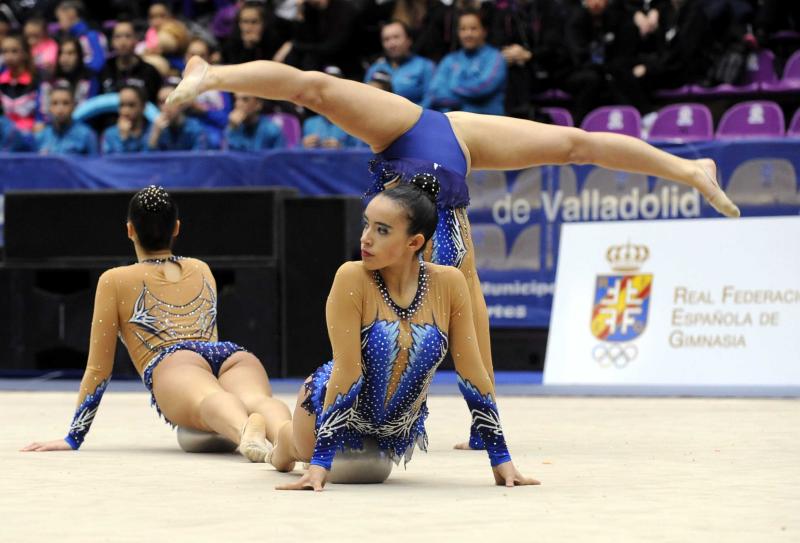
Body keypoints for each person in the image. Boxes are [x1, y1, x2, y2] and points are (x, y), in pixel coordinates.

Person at [166, 55, 740, 449]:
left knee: (315, 88)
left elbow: (465, 329)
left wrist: (481, 419)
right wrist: (484, 422)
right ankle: (210, 71)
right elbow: (466, 329)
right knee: (570, 147)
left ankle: (690, 167)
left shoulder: (410, 264)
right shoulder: (425, 265)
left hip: (415, 136)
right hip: (443, 151)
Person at [270, 179, 540, 490]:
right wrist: (318, 463)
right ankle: (280, 439)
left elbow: (472, 373)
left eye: (382, 230)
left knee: (369, 473)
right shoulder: (351, 277)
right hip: (327, 411)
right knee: (294, 451)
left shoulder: (449, 284)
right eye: (366, 225)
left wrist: (501, 459)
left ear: (414, 242)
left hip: (394, 429)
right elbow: (347, 372)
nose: (366, 238)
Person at [21, 186, 290, 464]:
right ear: (176, 228)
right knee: (258, 400)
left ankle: (246, 429)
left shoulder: (115, 280)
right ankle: (288, 437)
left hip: (175, 362)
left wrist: (73, 436)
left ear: (130, 230)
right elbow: (208, 338)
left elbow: (98, 368)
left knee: (208, 398)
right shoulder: (201, 268)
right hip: (232, 356)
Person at [425, 9, 507, 115]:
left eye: (473, 28)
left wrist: (453, 86)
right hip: (452, 125)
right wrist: (469, 99)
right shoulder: (450, 59)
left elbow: (483, 88)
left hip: (486, 123)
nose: (468, 34)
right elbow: (434, 94)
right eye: (463, 29)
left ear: (484, 31)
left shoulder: (495, 57)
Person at [364, 20, 435, 106]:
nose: (391, 44)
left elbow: (430, 99)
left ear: (409, 40)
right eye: (386, 39)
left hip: (416, 116)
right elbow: (366, 100)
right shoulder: (375, 68)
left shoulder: (425, 66)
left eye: (396, 37)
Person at [99, 20, 163, 102]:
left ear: (136, 40)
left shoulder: (149, 71)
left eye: (128, 36)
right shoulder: (104, 69)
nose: (123, 42)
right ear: (112, 41)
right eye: (118, 36)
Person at [35, 81, 98, 155]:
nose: (60, 109)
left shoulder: (86, 135)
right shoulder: (42, 136)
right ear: (50, 107)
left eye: (65, 103)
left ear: (73, 106)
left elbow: (95, 164)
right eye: (55, 103)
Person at [148, 80, 208, 151]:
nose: (164, 107)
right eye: (161, 102)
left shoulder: (196, 130)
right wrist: (154, 137)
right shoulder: (157, 129)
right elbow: (147, 160)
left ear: (182, 103)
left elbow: (199, 159)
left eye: (170, 101)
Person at [0, 33, 39, 133]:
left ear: (25, 54)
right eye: (5, 51)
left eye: (14, 51)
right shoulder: (1, 80)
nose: (9, 56)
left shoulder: (37, 81)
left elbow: (42, 117)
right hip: (5, 135)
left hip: (31, 136)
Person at [55, 0, 106, 73]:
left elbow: (98, 64)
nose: (59, 24)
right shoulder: (70, 36)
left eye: (59, 19)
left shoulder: (91, 36)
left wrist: (77, 64)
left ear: (71, 14)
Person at [101, 84, 150, 154]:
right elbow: (111, 163)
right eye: (122, 105)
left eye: (131, 105)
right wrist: (124, 139)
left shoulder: (154, 131)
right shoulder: (110, 134)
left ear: (143, 106)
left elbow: (151, 162)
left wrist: (152, 143)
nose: (125, 111)